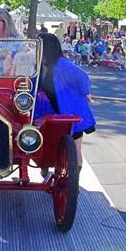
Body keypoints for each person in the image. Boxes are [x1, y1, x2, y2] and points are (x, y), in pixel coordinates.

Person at [34, 33, 95, 174]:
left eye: (38, 44)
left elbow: (82, 77)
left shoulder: (62, 64)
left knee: (75, 147)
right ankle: (45, 166)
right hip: (48, 112)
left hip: (71, 111)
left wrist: (86, 92)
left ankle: (74, 179)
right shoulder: (37, 65)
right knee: (47, 143)